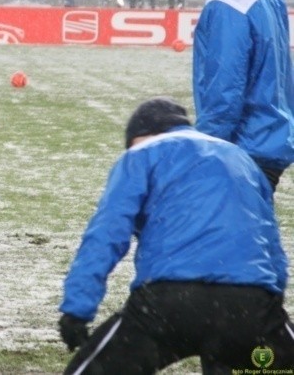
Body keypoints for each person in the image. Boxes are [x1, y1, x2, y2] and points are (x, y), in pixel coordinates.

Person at [59, 97, 294, 373]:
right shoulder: (241, 159)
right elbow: (270, 240)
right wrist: (270, 302)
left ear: (142, 136)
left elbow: (107, 233)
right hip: (247, 304)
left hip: (168, 302)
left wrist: (77, 309)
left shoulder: (141, 154)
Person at [188, 0, 294, 192]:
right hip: (269, 142)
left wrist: (205, 152)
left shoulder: (227, 2)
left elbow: (224, 93)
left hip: (243, 152)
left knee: (225, 235)